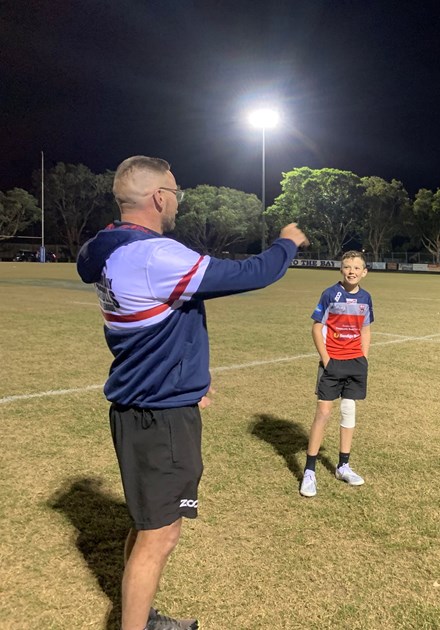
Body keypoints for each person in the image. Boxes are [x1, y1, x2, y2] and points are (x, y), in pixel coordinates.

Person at [76, 156, 309, 630]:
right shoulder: (153, 255)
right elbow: (249, 274)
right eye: (176, 191)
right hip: (158, 418)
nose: (178, 200)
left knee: (150, 525)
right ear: (159, 197)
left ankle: (140, 618)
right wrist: (288, 241)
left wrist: (190, 379)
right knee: (160, 535)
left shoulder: (111, 250)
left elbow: (161, 329)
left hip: (146, 405)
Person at [300, 251, 374, 498]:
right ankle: (309, 470)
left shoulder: (366, 298)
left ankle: (343, 465)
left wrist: (363, 357)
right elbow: (317, 326)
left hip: (355, 362)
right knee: (323, 412)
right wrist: (326, 359)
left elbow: (365, 328)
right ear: (341, 270)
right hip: (332, 362)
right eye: (347, 267)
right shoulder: (330, 293)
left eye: (356, 267)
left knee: (349, 410)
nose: (352, 271)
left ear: (364, 272)